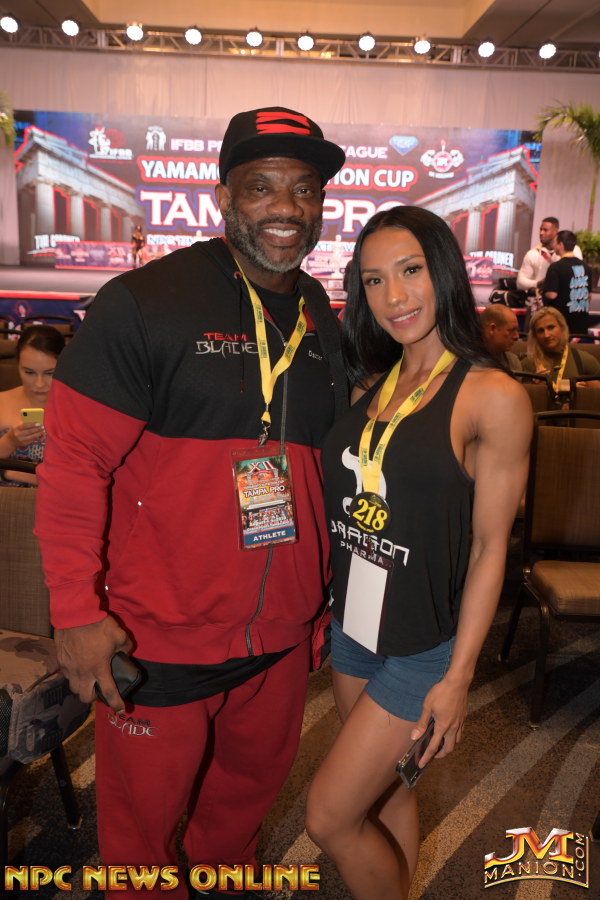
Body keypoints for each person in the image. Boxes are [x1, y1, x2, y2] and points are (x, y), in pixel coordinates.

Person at [35, 106, 347, 898]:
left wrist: (318, 605)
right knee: (141, 851)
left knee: (236, 828)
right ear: (222, 198)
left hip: (279, 640)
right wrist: (74, 611)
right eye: (261, 187)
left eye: (304, 188)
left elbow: (323, 474)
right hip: (159, 639)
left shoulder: (320, 314)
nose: (285, 207)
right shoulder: (145, 302)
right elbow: (73, 465)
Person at [304, 206, 531, 900]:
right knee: (386, 793)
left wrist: (459, 677)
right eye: (374, 280)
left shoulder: (491, 396)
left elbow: (490, 548)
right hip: (355, 627)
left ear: (445, 274)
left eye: (410, 271)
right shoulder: (370, 387)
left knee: (329, 816)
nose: (393, 296)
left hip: (422, 645)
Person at [0, 325, 65, 487]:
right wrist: (10, 441)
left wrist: (10, 472)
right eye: (29, 372)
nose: (39, 383)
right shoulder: (2, 402)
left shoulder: (79, 409)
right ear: (18, 365)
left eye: (50, 373)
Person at [521, 306, 600, 401]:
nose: (546, 335)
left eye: (551, 327)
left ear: (562, 327)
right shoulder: (527, 364)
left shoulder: (583, 359)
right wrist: (535, 389)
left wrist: (586, 391)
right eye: (540, 330)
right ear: (535, 335)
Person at [542, 229, 592, 336]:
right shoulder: (586, 267)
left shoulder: (556, 267)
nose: (553, 245)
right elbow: (589, 296)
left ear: (561, 245)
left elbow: (552, 295)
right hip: (581, 324)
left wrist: (542, 292)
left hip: (561, 325)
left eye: (555, 242)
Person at [516, 217, 582, 294]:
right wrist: (538, 283)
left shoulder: (574, 250)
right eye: (540, 229)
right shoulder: (532, 254)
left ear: (556, 231)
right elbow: (520, 282)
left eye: (545, 230)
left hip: (565, 298)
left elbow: (578, 278)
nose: (541, 233)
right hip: (541, 299)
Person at [479, 304, 522, 370]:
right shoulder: (466, 362)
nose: (516, 336)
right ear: (492, 329)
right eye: (511, 330)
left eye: (516, 330)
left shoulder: (513, 361)